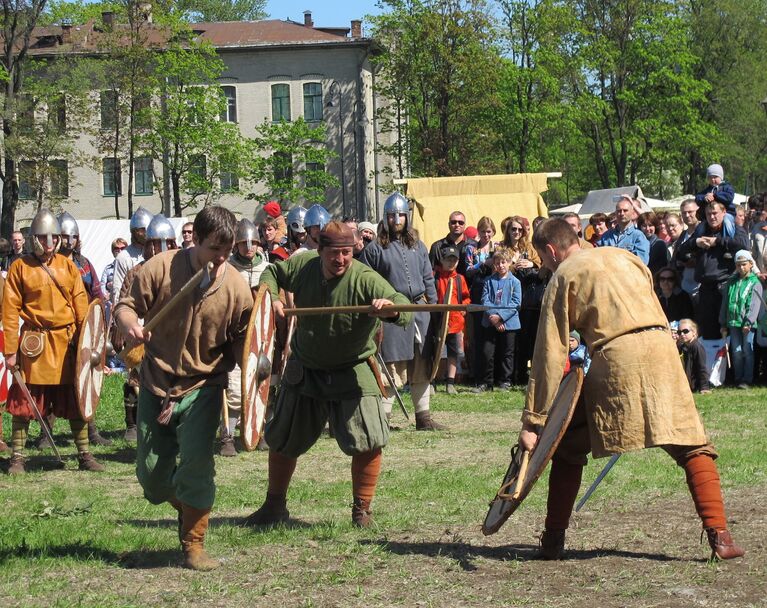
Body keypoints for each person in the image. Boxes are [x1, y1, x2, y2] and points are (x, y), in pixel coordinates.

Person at [517, 218, 744, 561]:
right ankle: (722, 538)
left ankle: (552, 540)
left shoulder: (564, 275)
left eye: (543, 259)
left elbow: (550, 353)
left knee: (566, 448)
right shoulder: (627, 257)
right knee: (692, 447)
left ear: (551, 250)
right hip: (663, 351)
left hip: (616, 359)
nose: (545, 266)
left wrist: (533, 422)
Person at [243, 221, 413, 528]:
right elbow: (272, 272)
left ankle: (362, 510)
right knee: (282, 439)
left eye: (347, 253)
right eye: (334, 253)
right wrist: (274, 299)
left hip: (353, 368)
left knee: (369, 441)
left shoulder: (364, 278)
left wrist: (389, 308)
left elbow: (403, 305)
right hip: (307, 368)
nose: (341, 260)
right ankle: (274, 507)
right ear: (319, 250)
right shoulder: (304, 266)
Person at [113, 206, 253, 571]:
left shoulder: (236, 286)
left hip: (204, 384)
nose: (221, 258)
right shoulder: (160, 267)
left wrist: (259, 346)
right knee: (152, 478)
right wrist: (130, 325)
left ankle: (194, 542)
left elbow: (245, 340)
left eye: (227, 251)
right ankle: (188, 506)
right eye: (214, 250)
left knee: (196, 464)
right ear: (196, 242)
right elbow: (125, 307)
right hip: (155, 380)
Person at [3, 209, 104, 474]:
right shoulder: (19, 267)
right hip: (34, 344)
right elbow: (10, 312)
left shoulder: (67, 265)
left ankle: (84, 454)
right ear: (34, 238)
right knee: (26, 402)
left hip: (65, 343)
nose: (50, 243)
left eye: (54, 237)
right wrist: (10, 351)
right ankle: (18, 457)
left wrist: (89, 342)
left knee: (75, 400)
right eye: (44, 237)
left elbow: (81, 304)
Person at [359, 192, 446, 430]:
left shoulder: (418, 246)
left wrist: (436, 308)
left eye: (400, 215)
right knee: (391, 367)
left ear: (407, 217)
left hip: (419, 311)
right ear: (385, 218)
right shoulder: (375, 249)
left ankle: (423, 418)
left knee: (422, 365)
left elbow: (428, 278)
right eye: (391, 215)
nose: (396, 220)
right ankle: (383, 420)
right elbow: (365, 280)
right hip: (391, 314)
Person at [117, 214, 179, 442]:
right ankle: (135, 425)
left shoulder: (182, 269)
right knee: (138, 383)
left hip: (173, 339)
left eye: (167, 243)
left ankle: (170, 426)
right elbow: (124, 304)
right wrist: (126, 331)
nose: (162, 248)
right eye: (157, 243)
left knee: (173, 385)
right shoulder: (136, 272)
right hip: (144, 336)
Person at [56, 211, 111, 447]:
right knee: (53, 381)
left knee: (85, 382)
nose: (69, 241)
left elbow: (96, 294)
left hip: (83, 331)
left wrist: (99, 323)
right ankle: (45, 432)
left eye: (73, 237)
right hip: (58, 331)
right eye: (65, 236)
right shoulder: (50, 264)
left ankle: (91, 431)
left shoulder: (85, 264)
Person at [221, 218, 269, 456]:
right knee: (234, 389)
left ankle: (258, 431)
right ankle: (227, 437)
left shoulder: (267, 268)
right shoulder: (227, 269)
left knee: (260, 384)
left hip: (261, 338)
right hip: (235, 335)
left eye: (253, 243)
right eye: (243, 243)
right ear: (236, 245)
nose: (249, 247)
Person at [674, 201, 750, 340]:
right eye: (709, 214)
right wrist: (695, 243)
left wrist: (718, 241)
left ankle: (727, 362)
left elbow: (744, 246)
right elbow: (680, 251)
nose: (712, 217)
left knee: (727, 333)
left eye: (715, 213)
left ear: (724, 212)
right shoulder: (702, 230)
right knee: (708, 332)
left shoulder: (734, 229)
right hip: (705, 289)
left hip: (726, 286)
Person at [474, 249, 521, 392]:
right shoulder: (489, 281)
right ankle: (487, 382)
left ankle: (505, 381)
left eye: (503, 262)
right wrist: (494, 318)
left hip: (509, 323)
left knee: (507, 353)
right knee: (488, 352)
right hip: (490, 321)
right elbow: (485, 300)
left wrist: (501, 317)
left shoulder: (515, 282)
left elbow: (516, 303)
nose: (500, 265)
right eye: (497, 263)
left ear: (509, 263)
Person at [719, 250, 762, 389]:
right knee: (736, 351)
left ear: (751, 264)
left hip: (747, 324)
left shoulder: (755, 282)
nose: (741, 267)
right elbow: (725, 302)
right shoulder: (731, 282)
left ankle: (747, 379)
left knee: (747, 350)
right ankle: (738, 378)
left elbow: (754, 304)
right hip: (733, 322)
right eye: (738, 265)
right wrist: (723, 322)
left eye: (744, 264)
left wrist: (749, 321)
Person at [434, 245, 470, 394]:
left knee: (453, 353)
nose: (451, 263)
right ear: (441, 260)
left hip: (455, 323)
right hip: (438, 321)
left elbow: (466, 298)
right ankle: (432, 380)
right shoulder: (435, 277)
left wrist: (463, 310)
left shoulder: (459, 279)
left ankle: (450, 382)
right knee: (435, 352)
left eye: (454, 260)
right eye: (448, 260)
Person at [111, 206, 153, 306]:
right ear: (134, 232)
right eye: (142, 230)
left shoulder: (156, 251)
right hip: (133, 309)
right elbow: (118, 290)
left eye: (148, 229)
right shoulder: (123, 257)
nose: (145, 233)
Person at [597, 196, 649, 264]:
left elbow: (642, 262)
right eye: (619, 211)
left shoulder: (638, 236)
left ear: (632, 212)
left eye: (625, 210)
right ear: (615, 213)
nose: (622, 213)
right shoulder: (606, 236)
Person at [428, 210, 472, 275]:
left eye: (460, 223)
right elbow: (431, 271)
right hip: (444, 284)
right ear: (448, 224)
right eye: (453, 222)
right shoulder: (437, 247)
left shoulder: (473, 244)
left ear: (465, 225)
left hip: (468, 284)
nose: (457, 225)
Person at [677, 319, 710, 394]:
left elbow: (702, 367)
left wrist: (704, 387)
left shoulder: (696, 346)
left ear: (694, 332)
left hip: (695, 385)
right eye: (679, 332)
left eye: (685, 331)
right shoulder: (682, 346)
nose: (682, 334)